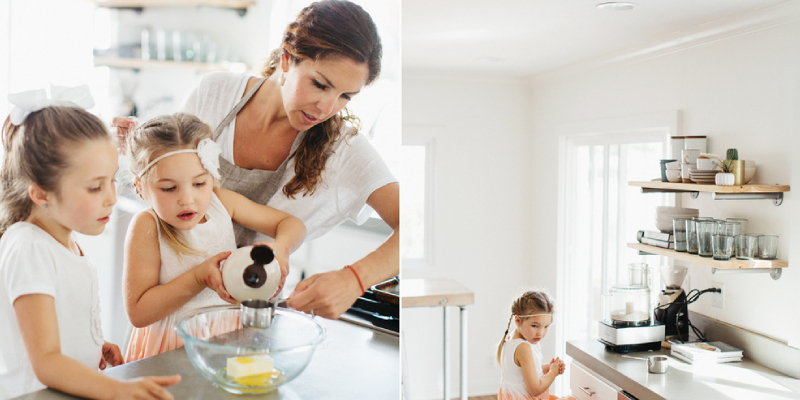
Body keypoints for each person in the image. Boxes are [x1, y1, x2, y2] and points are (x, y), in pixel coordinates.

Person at [113, 0, 398, 319]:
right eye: (320, 84)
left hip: (250, 319)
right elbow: (171, 162)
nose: (327, 107)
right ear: (287, 60)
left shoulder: (343, 147)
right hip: (170, 312)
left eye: (346, 96)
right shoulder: (215, 93)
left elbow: (416, 228)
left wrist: (354, 279)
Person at [0, 87, 180, 399]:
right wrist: (117, 389)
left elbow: (55, 331)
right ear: (41, 194)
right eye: (95, 188)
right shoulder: (29, 247)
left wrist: (90, 346)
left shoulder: (62, 241)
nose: (111, 198)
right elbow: (45, 362)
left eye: (111, 180)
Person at [123, 113, 306, 362]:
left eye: (199, 183)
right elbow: (139, 313)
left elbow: (291, 223)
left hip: (228, 338)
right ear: (141, 187)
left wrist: (281, 248)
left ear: (212, 176)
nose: (187, 198)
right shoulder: (147, 226)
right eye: (169, 188)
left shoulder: (223, 203)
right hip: (173, 346)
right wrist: (199, 277)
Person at [497, 291, 574, 400]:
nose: (541, 333)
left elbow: (524, 373)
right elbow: (535, 389)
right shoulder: (523, 347)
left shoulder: (511, 339)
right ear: (518, 320)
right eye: (535, 326)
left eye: (546, 326)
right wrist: (553, 372)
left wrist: (548, 367)